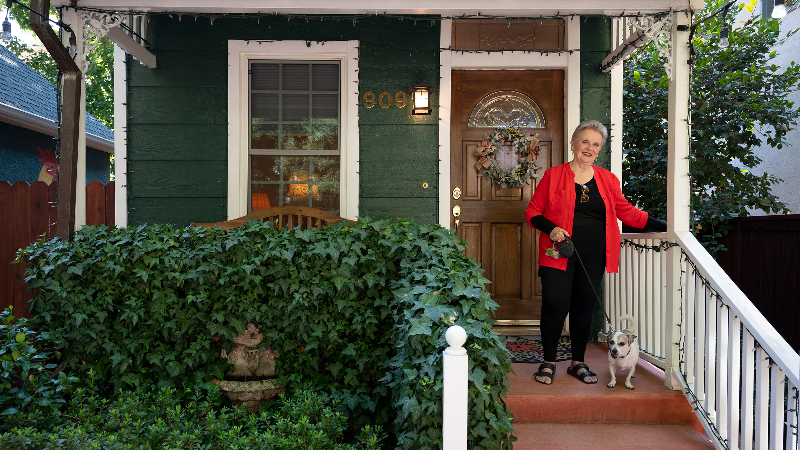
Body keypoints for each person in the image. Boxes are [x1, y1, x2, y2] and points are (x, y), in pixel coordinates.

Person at [525, 120, 666, 385]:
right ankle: (548, 361)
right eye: (585, 142)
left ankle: (577, 362)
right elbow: (532, 212)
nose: (589, 148)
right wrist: (552, 228)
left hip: (594, 255)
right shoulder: (553, 176)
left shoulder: (608, 180)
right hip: (559, 252)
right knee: (555, 304)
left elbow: (630, 215)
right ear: (573, 144)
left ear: (599, 150)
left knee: (583, 307)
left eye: (596, 144)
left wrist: (669, 229)